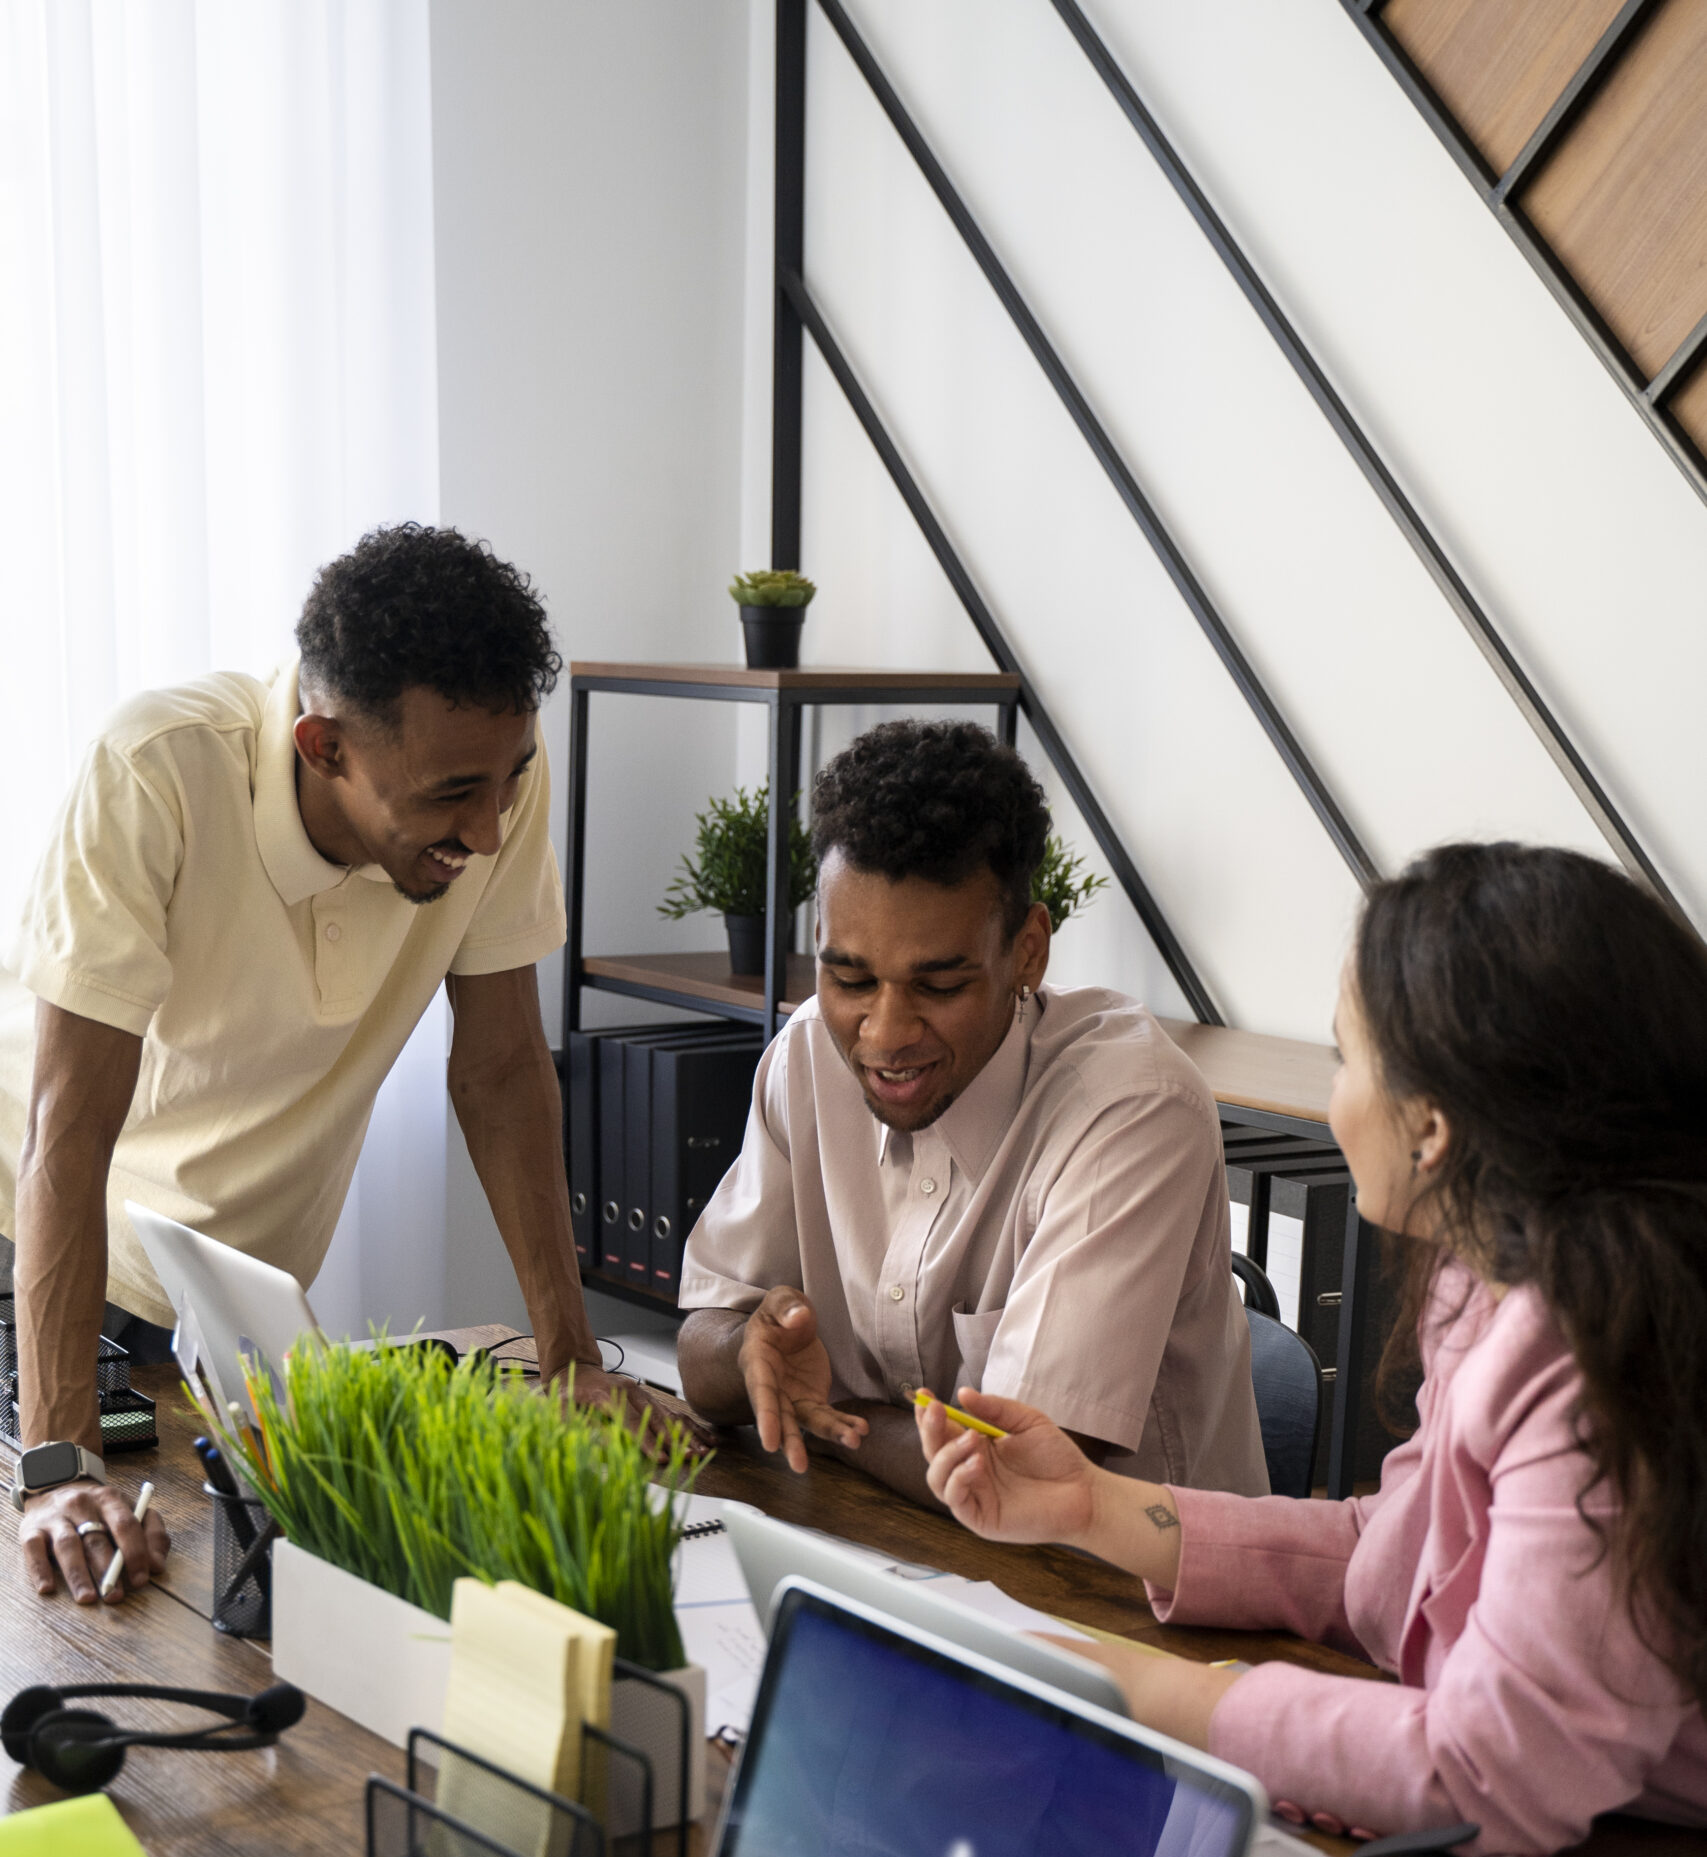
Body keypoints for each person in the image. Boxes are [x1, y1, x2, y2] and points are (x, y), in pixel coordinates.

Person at [917, 841, 1707, 1857]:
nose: (1336, 1098)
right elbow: (1400, 1554)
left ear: (1431, 1127)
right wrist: (1089, 1506)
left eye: (1346, 1058)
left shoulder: (1605, 1363)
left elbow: (1493, 1772)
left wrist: (1169, 1696)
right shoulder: (1486, 1280)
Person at [0, 522, 694, 1609]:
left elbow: (504, 1069)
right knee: (73, 1607)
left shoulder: (491, 778)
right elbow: (65, 1131)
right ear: (323, 746)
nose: (492, 826)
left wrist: (573, 1361)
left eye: (510, 776)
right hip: (36, 1258)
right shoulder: (157, 769)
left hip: (219, 1304)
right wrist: (56, 1464)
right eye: (452, 794)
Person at [676, 719, 1265, 1507]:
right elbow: (703, 1342)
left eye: (939, 986)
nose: (882, 1034)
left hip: (1132, 1600)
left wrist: (826, 1417)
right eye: (849, 979)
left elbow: (1017, 1475)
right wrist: (749, 1348)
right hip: (897, 1541)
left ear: (1027, 951)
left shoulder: (1131, 1108)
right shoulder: (805, 1056)